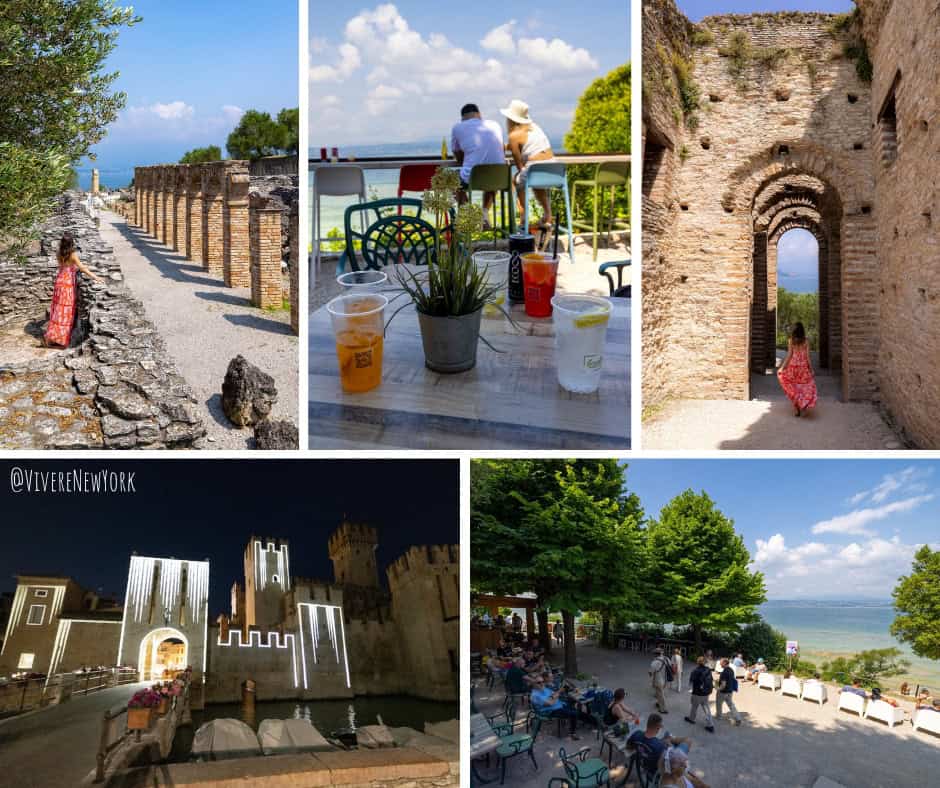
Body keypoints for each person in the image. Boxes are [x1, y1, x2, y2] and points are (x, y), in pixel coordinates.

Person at [500, 99, 555, 232]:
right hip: (554, 169)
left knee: (516, 180)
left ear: (511, 120)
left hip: (535, 167)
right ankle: (548, 215)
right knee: (535, 181)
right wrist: (508, 147)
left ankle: (524, 216)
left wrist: (505, 147)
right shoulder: (534, 127)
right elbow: (528, 145)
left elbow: (520, 166)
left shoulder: (513, 135)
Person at [450, 103, 506, 224]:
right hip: (500, 177)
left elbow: (458, 156)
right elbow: (502, 150)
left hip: (474, 178)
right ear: (479, 115)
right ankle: (484, 214)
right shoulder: (494, 124)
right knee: (491, 178)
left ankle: (471, 216)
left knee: (449, 179)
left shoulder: (458, 127)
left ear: (463, 118)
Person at [43, 232, 102, 347]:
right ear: (71, 243)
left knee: (57, 310)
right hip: (68, 284)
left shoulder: (59, 253)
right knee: (65, 311)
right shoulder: (73, 254)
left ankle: (50, 337)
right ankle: (61, 339)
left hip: (59, 281)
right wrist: (95, 277)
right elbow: (82, 268)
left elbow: (61, 267)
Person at [530, 674, 594, 739]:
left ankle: (595, 722)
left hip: (560, 705)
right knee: (573, 714)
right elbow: (550, 703)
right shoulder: (535, 695)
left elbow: (555, 694)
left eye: (542, 681)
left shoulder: (545, 689)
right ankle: (572, 733)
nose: (542, 683)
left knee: (577, 711)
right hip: (551, 711)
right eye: (539, 682)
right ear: (533, 684)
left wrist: (556, 694)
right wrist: (555, 696)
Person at [626, 713, 691, 778]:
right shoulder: (661, 746)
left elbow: (628, 746)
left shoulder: (637, 734)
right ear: (658, 727)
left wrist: (643, 751)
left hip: (645, 763)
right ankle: (671, 739)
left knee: (667, 735)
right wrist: (670, 746)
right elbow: (668, 765)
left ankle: (670, 738)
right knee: (687, 740)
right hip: (655, 771)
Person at [777, 321, 818, 416]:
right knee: (804, 386)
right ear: (802, 331)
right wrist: (811, 369)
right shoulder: (806, 341)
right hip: (803, 367)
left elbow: (789, 355)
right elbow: (808, 357)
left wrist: (782, 368)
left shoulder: (791, 340)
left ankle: (796, 408)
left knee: (793, 386)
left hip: (793, 366)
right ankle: (803, 404)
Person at [685, 656, 715, 733]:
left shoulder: (695, 671)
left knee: (694, 707)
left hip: (697, 693)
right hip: (706, 693)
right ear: (705, 662)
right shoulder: (708, 670)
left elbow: (691, 683)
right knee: (706, 709)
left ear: (698, 662)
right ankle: (710, 725)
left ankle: (692, 719)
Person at [714, 658, 742, 726]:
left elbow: (723, 684)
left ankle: (719, 716)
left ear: (724, 663)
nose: (720, 664)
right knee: (731, 705)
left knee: (718, 704)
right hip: (730, 691)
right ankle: (738, 718)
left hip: (723, 692)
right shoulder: (731, 670)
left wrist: (718, 688)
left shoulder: (724, 672)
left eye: (721, 663)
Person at [650, 647, 671, 714]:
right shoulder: (666, 659)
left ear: (655, 654)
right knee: (659, 693)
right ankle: (659, 703)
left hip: (658, 680)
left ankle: (663, 709)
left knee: (661, 694)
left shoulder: (655, 662)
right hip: (666, 679)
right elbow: (670, 666)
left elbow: (651, 672)